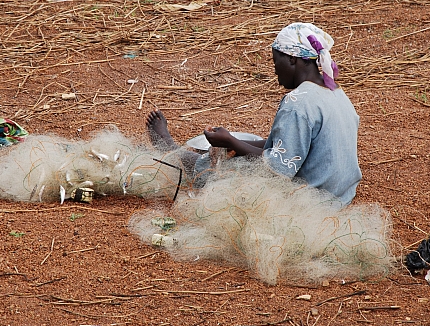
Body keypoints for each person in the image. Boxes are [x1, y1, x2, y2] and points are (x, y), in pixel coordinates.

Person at [147, 22, 361, 205]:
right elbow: (292, 144)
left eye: (276, 60)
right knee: (253, 142)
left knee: (225, 167)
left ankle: (172, 150)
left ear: (292, 60)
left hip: (310, 200)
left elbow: (278, 168)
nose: (275, 68)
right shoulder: (334, 91)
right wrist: (232, 143)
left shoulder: (297, 103)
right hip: (340, 194)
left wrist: (231, 141)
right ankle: (197, 152)